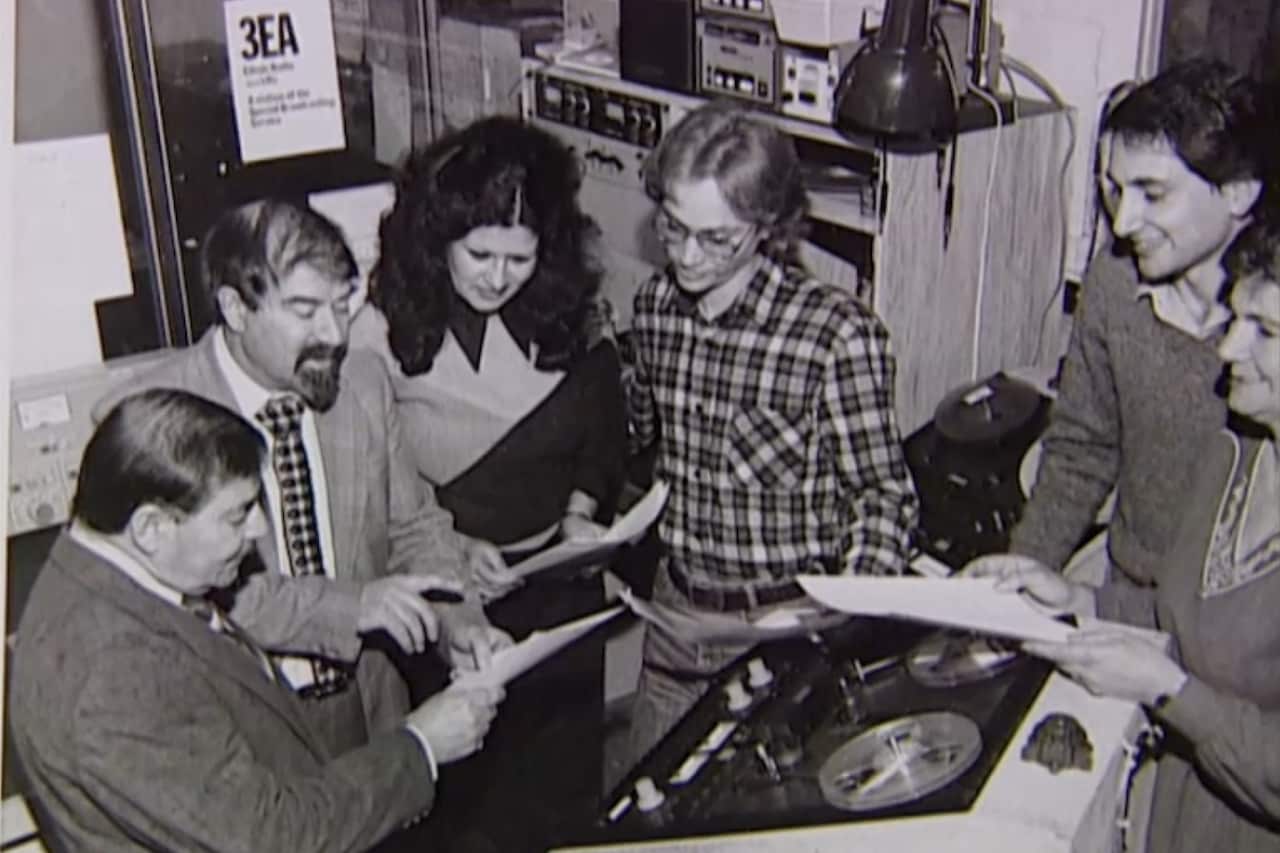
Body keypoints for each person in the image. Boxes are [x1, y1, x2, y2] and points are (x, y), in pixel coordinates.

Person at [94, 198, 514, 756]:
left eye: (343, 306)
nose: (335, 333)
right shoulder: (148, 418)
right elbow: (199, 595)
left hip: (370, 712)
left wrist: (458, 621)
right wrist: (354, 606)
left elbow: (413, 525)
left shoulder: (362, 382)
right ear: (236, 308)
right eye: (305, 309)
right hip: (238, 733)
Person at [9, 388, 505, 853]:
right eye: (237, 515)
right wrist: (420, 746)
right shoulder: (111, 676)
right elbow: (270, 838)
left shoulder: (108, 573)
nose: (259, 529)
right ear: (151, 528)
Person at [350, 116, 627, 851]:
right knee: (462, 810)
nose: (498, 277)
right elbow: (373, 479)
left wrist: (580, 514)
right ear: (438, 236)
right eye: (479, 254)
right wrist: (455, 545)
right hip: (446, 596)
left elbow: (603, 428)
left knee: (560, 795)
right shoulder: (380, 330)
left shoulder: (569, 313)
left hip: (556, 591)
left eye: (520, 257)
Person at [970, 215, 1280, 852]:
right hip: (1184, 807)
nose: (1225, 350)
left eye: (1266, 331)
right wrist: (1080, 602)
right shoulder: (1235, 457)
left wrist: (1169, 689)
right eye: (1235, 319)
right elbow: (1193, 619)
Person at [624, 101, 918, 759]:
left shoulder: (836, 335)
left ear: (768, 227)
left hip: (783, 629)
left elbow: (884, 496)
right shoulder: (654, 309)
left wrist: (848, 607)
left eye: (716, 238)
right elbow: (644, 435)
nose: (688, 256)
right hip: (676, 618)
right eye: (673, 228)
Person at [976, 60, 1271, 602]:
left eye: (1153, 194)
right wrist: (1021, 576)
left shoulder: (1266, 343)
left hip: (1229, 626)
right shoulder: (1115, 280)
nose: (1123, 222)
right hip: (1123, 582)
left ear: (1237, 194)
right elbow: (1082, 448)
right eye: (1114, 191)